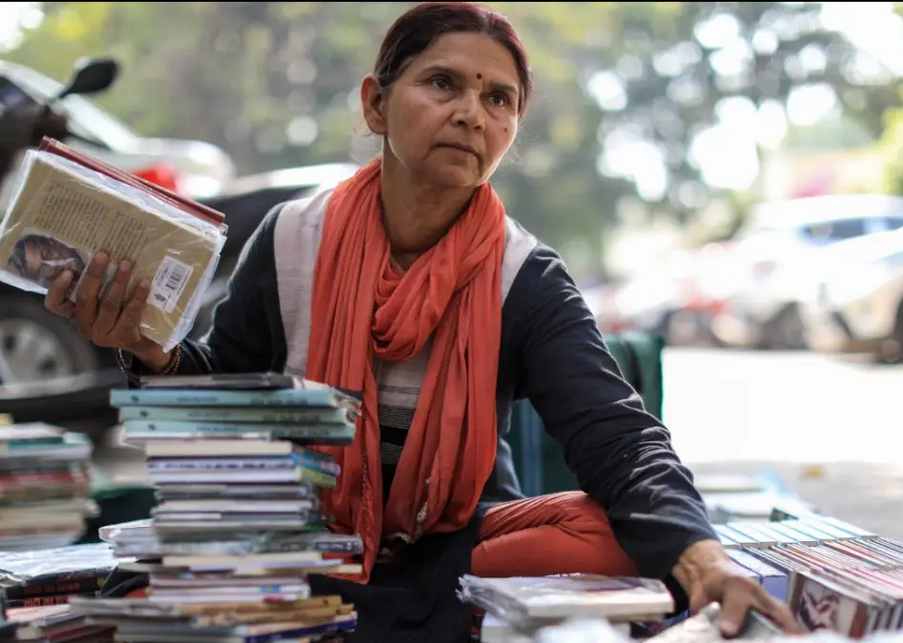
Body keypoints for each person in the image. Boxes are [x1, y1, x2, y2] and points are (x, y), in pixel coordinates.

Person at [45, 2, 801, 640]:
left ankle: (355, 615)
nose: (471, 113)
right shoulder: (291, 237)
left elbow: (617, 436)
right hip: (310, 532)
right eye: (442, 83)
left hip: (456, 545)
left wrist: (706, 558)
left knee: (620, 531)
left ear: (510, 130)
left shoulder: (523, 274)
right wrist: (152, 351)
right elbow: (224, 395)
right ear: (376, 103)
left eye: (498, 99)